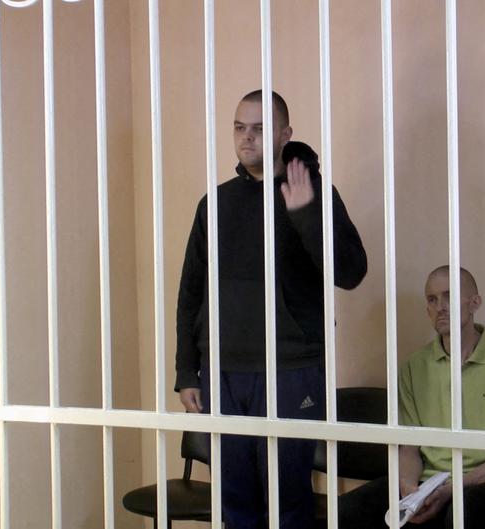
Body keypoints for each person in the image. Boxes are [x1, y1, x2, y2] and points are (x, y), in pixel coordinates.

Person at [174, 90, 367, 529]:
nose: (247, 138)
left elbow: (353, 271)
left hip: (292, 368)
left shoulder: (313, 193)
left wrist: (304, 214)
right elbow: (191, 292)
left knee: (288, 502)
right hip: (224, 372)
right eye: (239, 128)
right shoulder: (214, 204)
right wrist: (188, 370)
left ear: (284, 134)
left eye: (259, 129)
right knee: (235, 502)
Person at [338, 266, 485, 529]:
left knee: (462, 516)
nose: (440, 306)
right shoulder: (414, 366)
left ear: (475, 302)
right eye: (432, 300)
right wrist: (409, 486)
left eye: (449, 296)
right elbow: (409, 447)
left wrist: (453, 488)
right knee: (347, 511)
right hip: (428, 479)